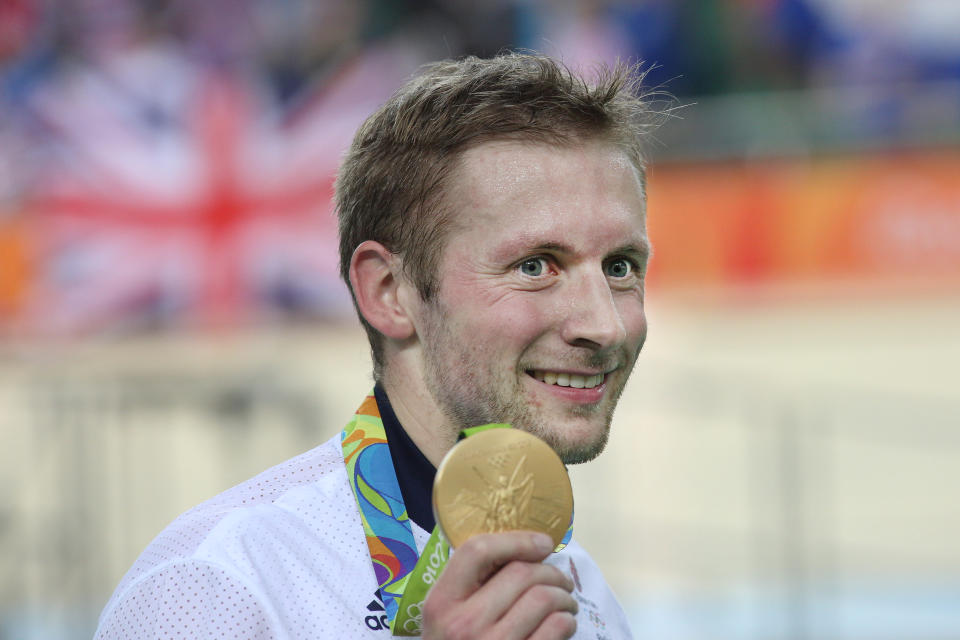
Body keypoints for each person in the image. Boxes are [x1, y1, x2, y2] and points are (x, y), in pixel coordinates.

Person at [95, 52, 655, 639]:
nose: (606, 325)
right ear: (389, 292)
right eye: (536, 265)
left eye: (620, 266)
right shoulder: (216, 586)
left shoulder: (580, 587)